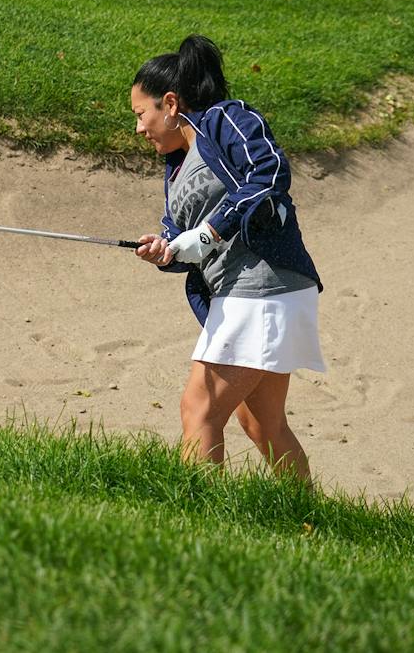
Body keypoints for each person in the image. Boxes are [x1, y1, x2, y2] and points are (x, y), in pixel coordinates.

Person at [131, 35, 324, 483]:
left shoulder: (226, 119)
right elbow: (183, 242)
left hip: (263, 285)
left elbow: (270, 172)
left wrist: (213, 229)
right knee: (262, 424)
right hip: (248, 295)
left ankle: (200, 527)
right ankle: (308, 521)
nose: (139, 128)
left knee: (198, 409)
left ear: (171, 103)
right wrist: (164, 251)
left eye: (142, 114)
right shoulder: (175, 168)